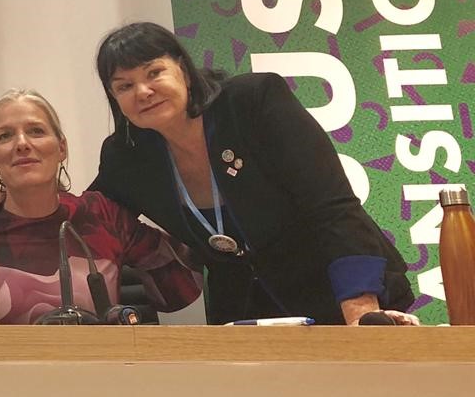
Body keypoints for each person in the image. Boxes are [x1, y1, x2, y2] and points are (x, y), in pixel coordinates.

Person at [88, 22, 414, 325]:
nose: (142, 91)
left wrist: (360, 311)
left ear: (184, 70)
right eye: (124, 86)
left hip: (341, 291)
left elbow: (333, 207)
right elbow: (84, 216)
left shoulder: (253, 102)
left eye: (154, 72)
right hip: (244, 315)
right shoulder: (126, 158)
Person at [0, 90, 201, 324]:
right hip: (0, 378)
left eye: (36, 131)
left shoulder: (102, 216)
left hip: (98, 374)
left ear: (61, 147)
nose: (21, 144)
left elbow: (181, 289)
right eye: (5, 136)